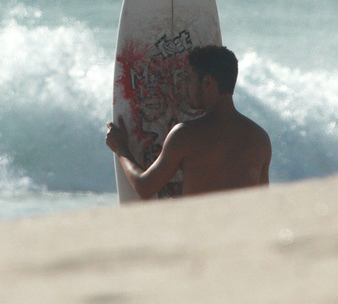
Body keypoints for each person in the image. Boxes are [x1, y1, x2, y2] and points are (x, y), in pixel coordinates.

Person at [106, 45, 271, 199]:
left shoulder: (185, 135)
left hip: (202, 228)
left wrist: (121, 148)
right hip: (244, 229)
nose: (184, 86)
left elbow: (145, 187)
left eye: (189, 79)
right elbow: (263, 200)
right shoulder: (260, 138)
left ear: (207, 83)